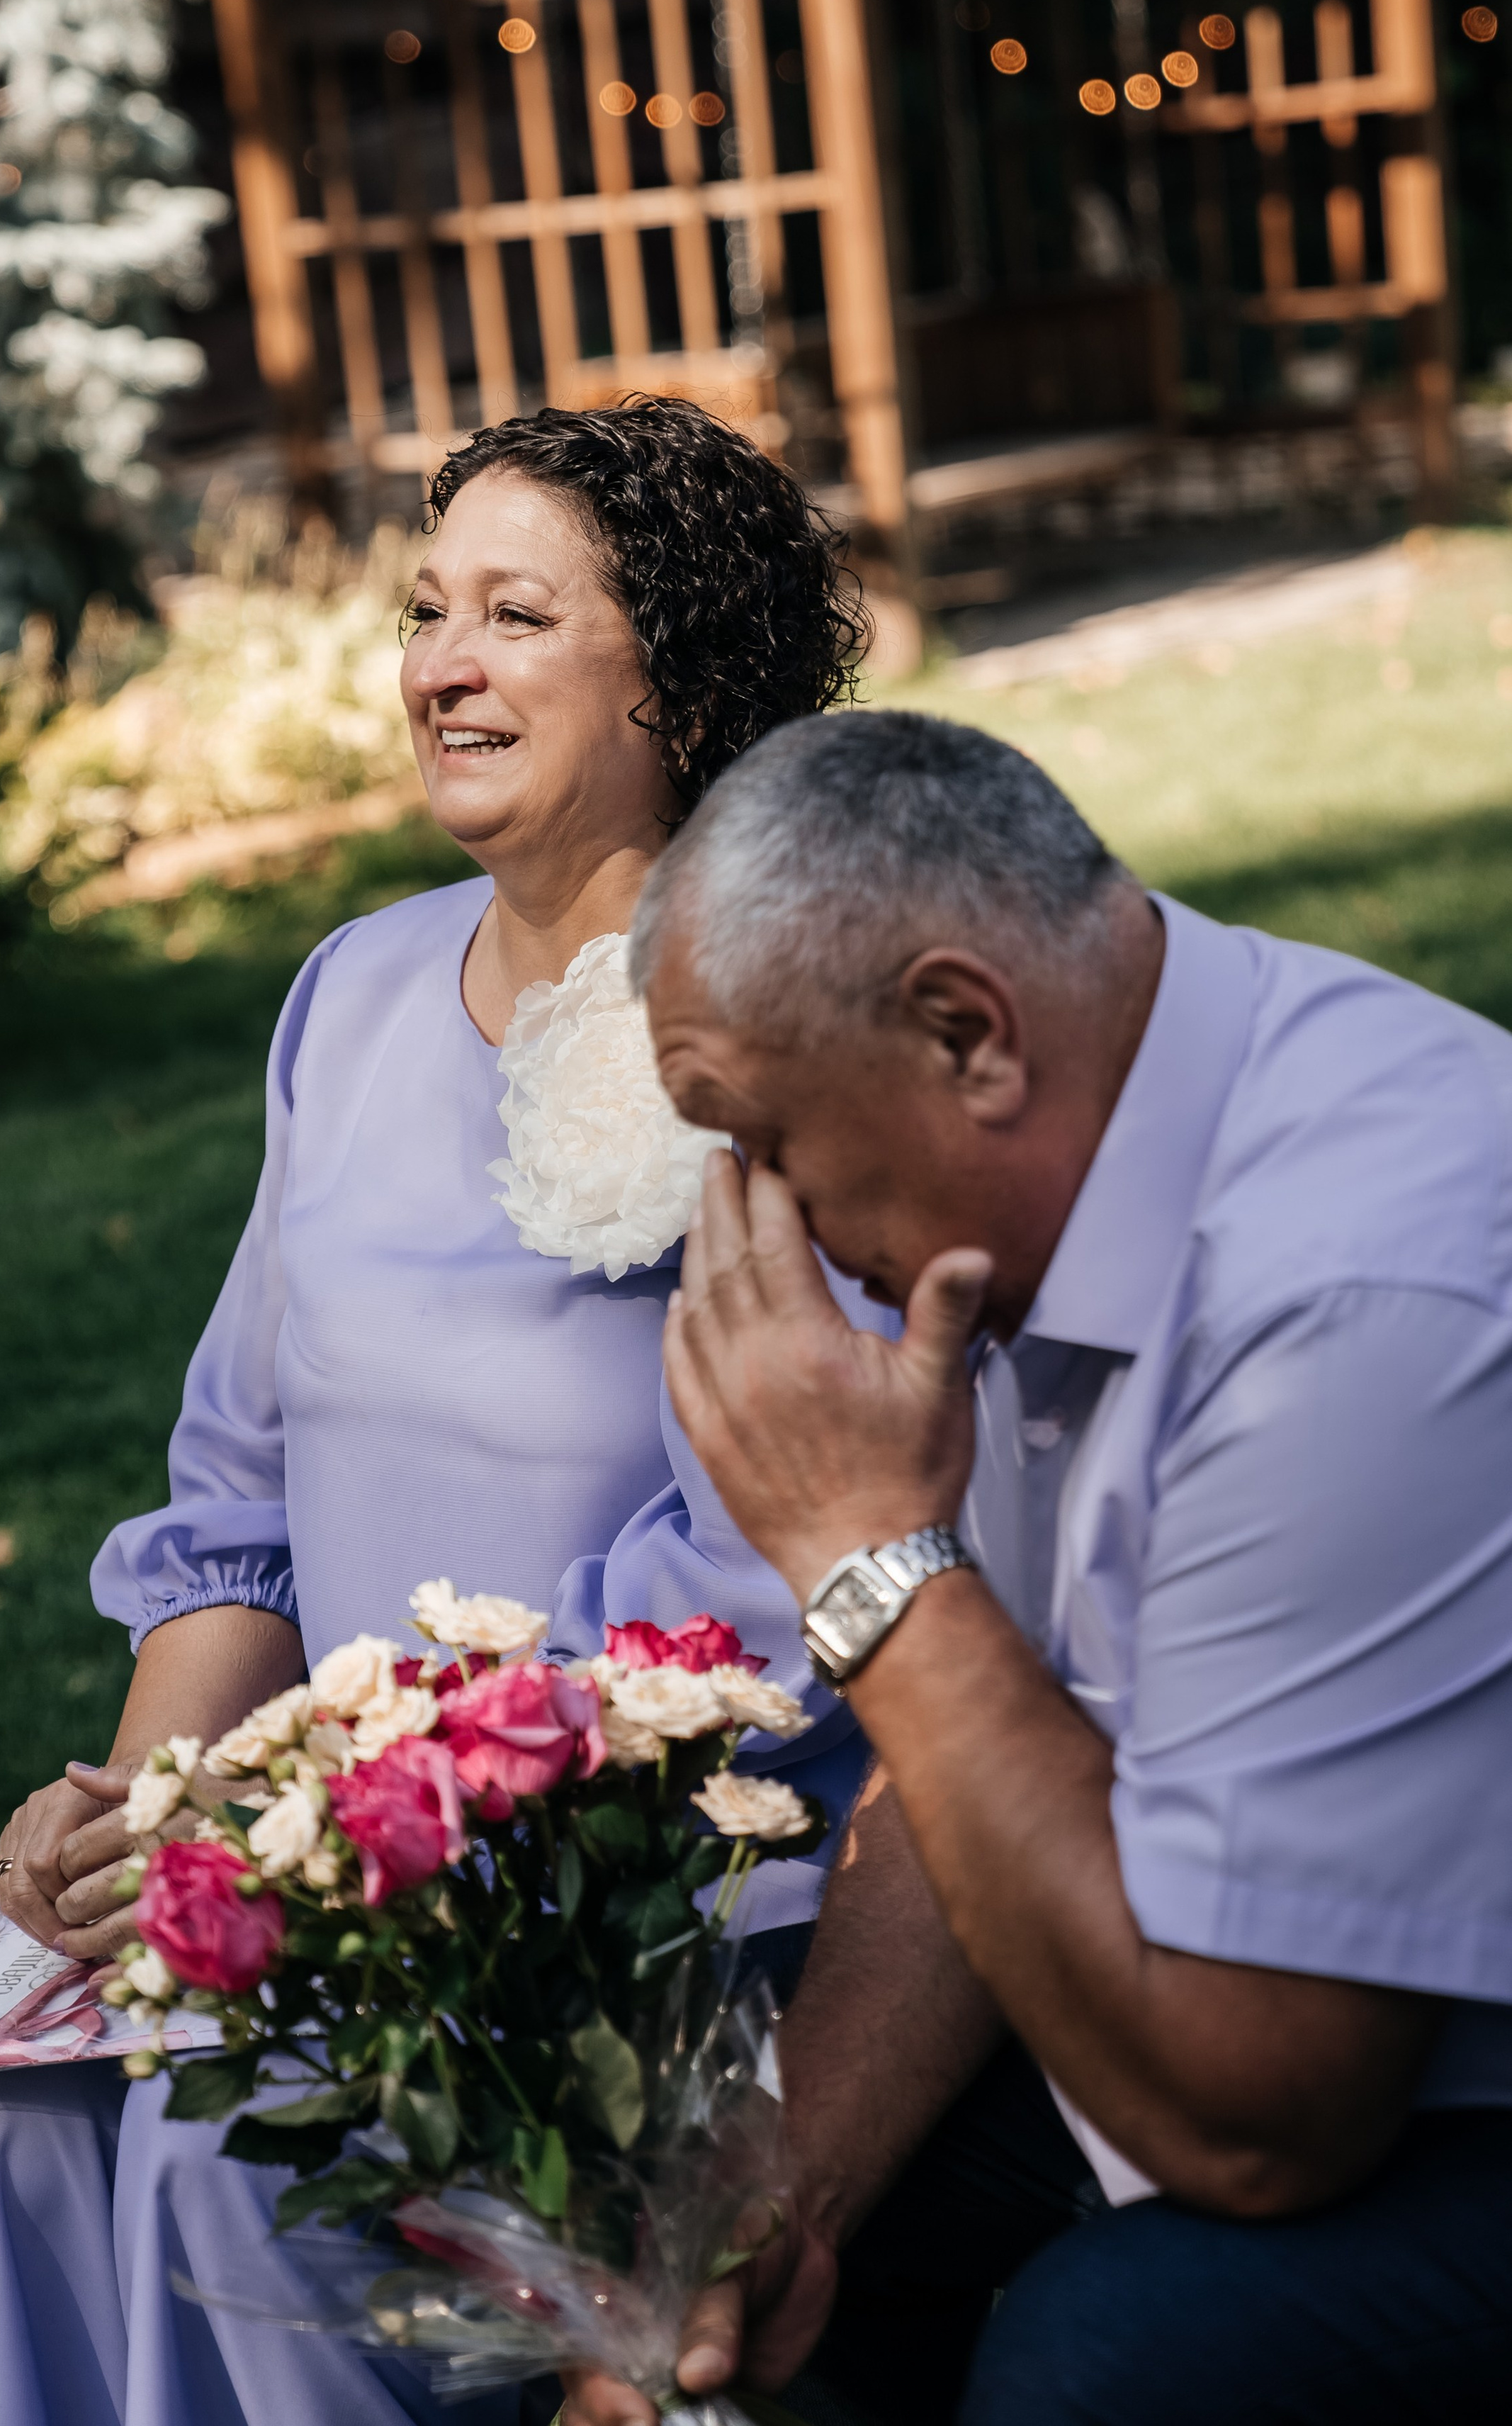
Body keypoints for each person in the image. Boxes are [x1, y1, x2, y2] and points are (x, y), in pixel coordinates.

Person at [0, 400, 887, 2426]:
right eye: (424, 609)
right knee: (24, 2119)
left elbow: (757, 1598)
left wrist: (324, 1850)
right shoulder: (352, 994)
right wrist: (141, 1850)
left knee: (221, 2142)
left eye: (515, 617)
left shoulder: (777, 1037)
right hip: (310, 1847)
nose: (439, 665)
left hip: (649, 1889)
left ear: (684, 681)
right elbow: (241, 1505)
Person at [567, 708, 1512, 2426]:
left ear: (962, 1030)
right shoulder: (1043, 1192)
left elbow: (1260, 2116)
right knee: (671, 2212)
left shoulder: (1350, 1303)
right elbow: (973, 1772)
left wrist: (865, 1561)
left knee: (1116, 2355)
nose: (757, 1225)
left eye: (761, 1140)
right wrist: (775, 2206)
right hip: (1229, 1955)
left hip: (1391, 2066)